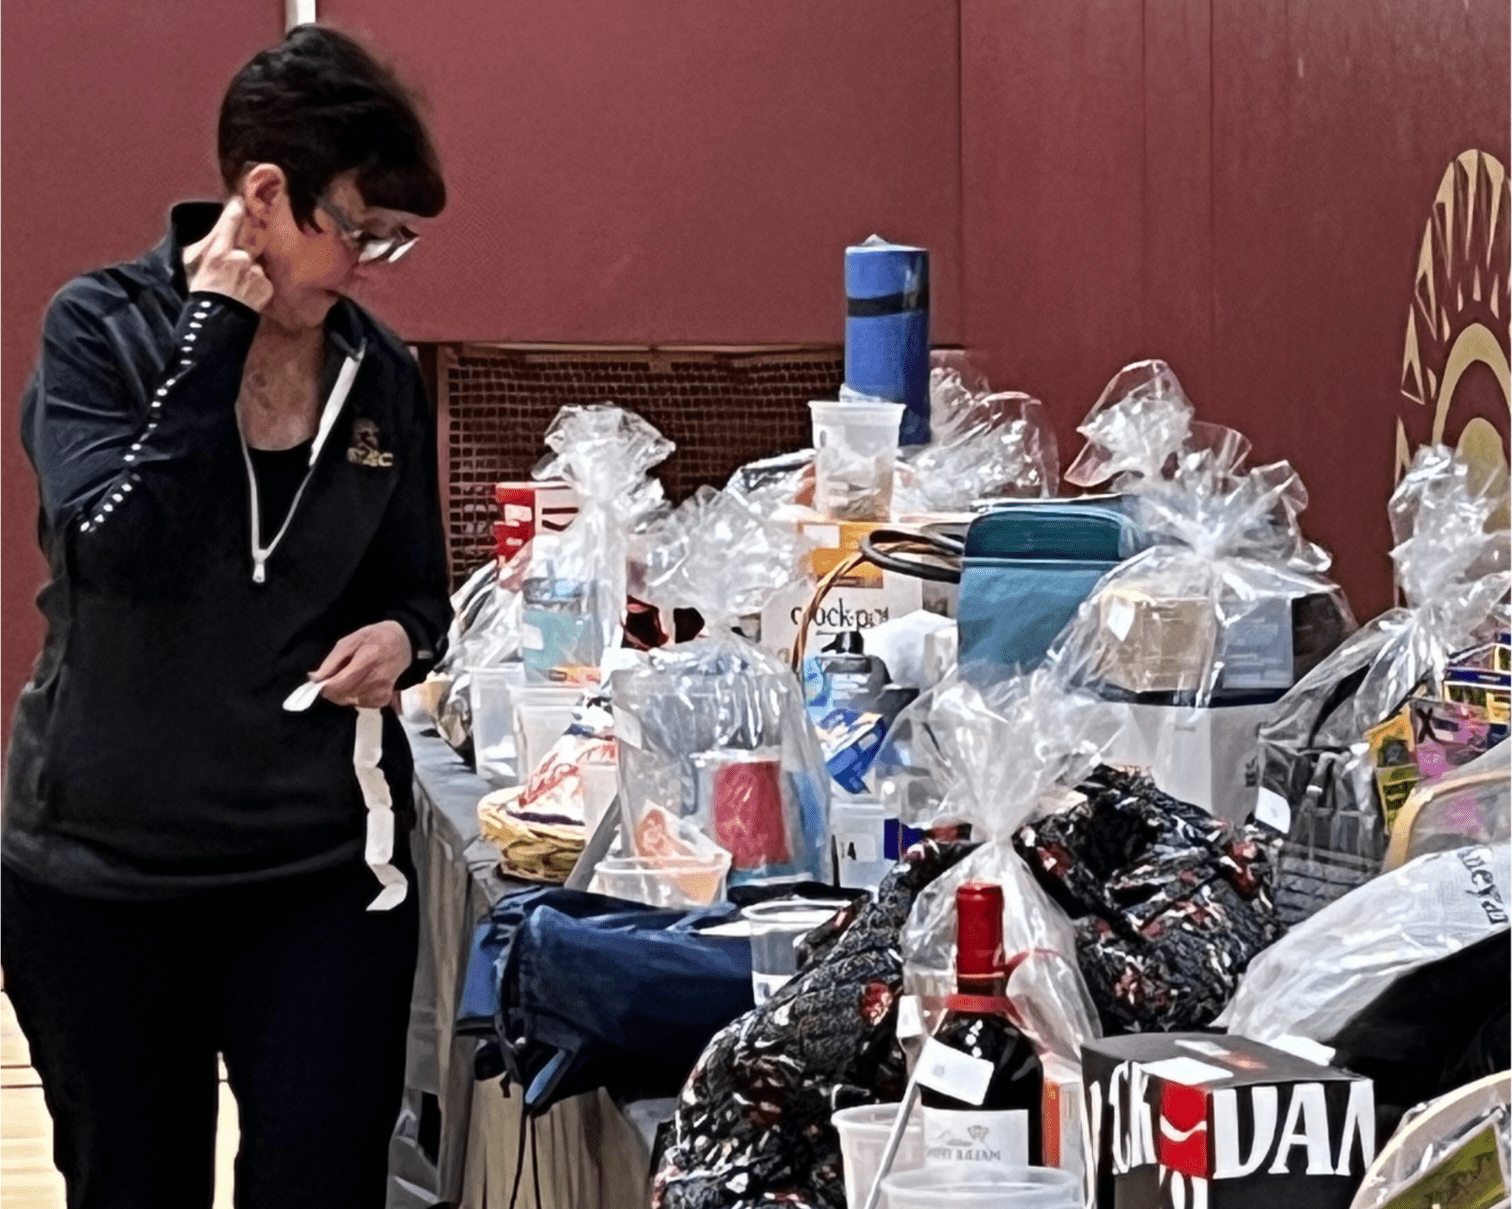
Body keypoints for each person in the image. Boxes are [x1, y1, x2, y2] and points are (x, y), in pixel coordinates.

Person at [2, 26, 451, 1208]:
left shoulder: (379, 373)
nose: (367, 264)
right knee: (132, 1183)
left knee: (319, 1180)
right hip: (102, 876)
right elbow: (114, 552)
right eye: (356, 229)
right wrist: (212, 340)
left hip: (316, 871)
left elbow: (421, 591)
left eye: (388, 239)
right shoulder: (102, 330)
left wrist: (405, 640)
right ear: (265, 195)